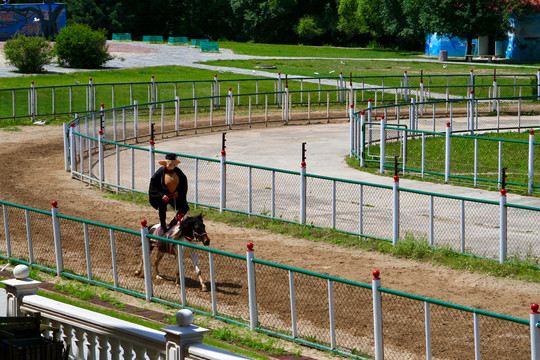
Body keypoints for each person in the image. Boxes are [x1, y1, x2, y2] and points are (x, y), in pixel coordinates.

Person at [149, 153, 189, 234]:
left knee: (185, 208)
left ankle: (174, 222)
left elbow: (184, 183)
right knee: (162, 210)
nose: (172, 168)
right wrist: (161, 195)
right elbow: (153, 185)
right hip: (164, 196)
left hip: (175, 196)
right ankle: (163, 227)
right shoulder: (160, 172)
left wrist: (178, 192)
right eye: (170, 165)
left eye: (174, 165)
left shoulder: (178, 172)